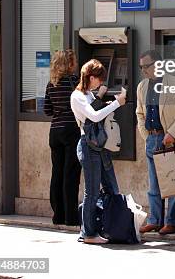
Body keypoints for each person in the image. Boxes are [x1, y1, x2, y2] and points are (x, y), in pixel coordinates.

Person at [136, 50, 175, 235]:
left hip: (171, 140)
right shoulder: (142, 86)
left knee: (174, 182)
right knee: (154, 185)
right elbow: (139, 114)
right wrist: (146, 136)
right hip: (152, 138)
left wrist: (171, 133)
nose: (143, 70)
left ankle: (171, 222)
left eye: (146, 66)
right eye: (141, 67)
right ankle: (155, 220)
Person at [71, 58, 126, 245]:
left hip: (99, 146)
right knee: (92, 191)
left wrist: (103, 98)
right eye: (99, 79)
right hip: (88, 146)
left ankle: (108, 226)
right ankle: (88, 233)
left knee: (111, 188)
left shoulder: (89, 94)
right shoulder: (77, 96)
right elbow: (94, 116)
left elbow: (97, 112)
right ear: (91, 77)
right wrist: (117, 103)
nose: (101, 82)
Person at [44, 49, 81, 226]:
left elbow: (47, 111)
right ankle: (70, 217)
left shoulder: (51, 84)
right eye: (73, 61)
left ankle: (57, 215)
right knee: (70, 174)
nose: (76, 65)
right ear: (69, 64)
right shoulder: (74, 82)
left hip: (55, 132)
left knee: (56, 173)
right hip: (71, 130)